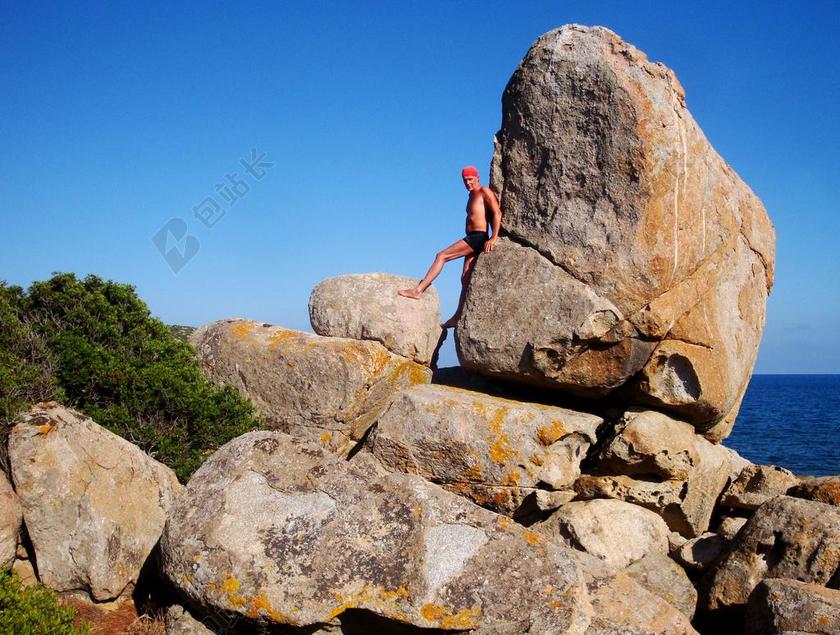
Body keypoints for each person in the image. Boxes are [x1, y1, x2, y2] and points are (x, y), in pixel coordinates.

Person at [398, 166, 502, 329]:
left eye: (470, 179)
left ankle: (418, 291)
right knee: (465, 279)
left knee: (441, 256)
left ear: (477, 177)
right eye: (465, 180)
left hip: (478, 237)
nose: (467, 183)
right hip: (471, 238)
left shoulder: (484, 191)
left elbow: (496, 213)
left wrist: (494, 238)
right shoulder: (471, 196)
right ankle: (457, 317)